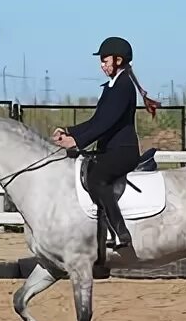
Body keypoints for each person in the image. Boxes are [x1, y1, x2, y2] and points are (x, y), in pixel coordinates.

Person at [52, 36, 160, 250]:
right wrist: (69, 131)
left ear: (118, 60)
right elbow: (96, 120)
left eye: (105, 60)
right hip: (109, 149)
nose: (102, 65)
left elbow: (107, 123)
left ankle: (120, 231)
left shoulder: (123, 87)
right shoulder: (112, 85)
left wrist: (77, 140)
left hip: (122, 151)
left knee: (97, 178)